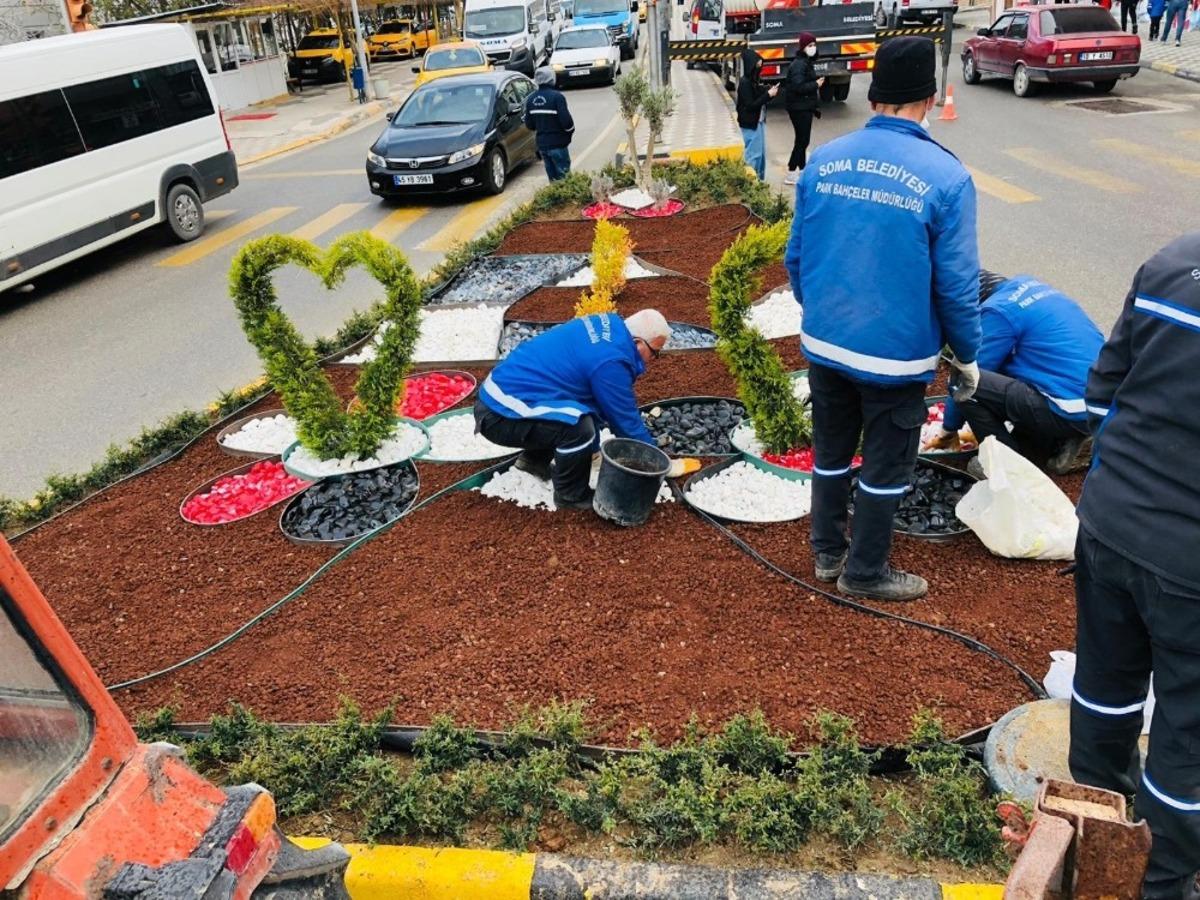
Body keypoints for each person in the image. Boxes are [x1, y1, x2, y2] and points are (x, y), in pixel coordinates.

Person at [783, 36, 981, 603]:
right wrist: (966, 357)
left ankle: (827, 552)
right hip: (895, 357)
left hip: (826, 342)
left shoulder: (824, 159)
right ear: (928, 97)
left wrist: (820, 310)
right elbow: (957, 287)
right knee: (887, 463)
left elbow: (796, 256)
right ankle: (865, 571)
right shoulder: (946, 178)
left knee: (831, 450)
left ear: (873, 96)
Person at [1069, 232, 1200, 900]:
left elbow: (1099, 396)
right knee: (1188, 733)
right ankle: (1158, 885)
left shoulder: (1173, 261)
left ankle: (1092, 844)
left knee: (1104, 688)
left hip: (1111, 524)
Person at [474, 310, 670, 510]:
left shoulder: (610, 325)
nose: (654, 359)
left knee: (573, 411)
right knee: (578, 427)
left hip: (501, 394)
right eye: (655, 352)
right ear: (637, 343)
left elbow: (594, 403)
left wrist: (591, 451)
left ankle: (533, 463)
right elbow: (625, 421)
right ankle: (571, 496)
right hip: (499, 413)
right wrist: (656, 461)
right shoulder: (611, 362)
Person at [923, 273, 1104, 475]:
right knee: (1010, 379)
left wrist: (948, 430)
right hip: (1100, 404)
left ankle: (1006, 466)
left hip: (1067, 406)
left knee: (966, 383)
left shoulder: (997, 312)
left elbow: (967, 377)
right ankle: (1065, 440)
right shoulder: (1027, 288)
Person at [783, 33, 824, 187]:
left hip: (804, 106)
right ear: (803, 47)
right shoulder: (799, 65)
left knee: (802, 139)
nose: (813, 48)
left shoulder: (806, 62)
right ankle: (792, 171)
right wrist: (816, 85)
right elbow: (798, 86)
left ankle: (802, 170)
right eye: (810, 46)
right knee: (802, 140)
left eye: (814, 45)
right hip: (798, 107)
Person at [524, 67, 575, 182]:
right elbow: (567, 122)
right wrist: (569, 134)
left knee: (552, 178)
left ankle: (556, 198)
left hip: (543, 145)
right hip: (558, 143)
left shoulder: (531, 99)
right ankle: (566, 199)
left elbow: (529, 125)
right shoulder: (557, 97)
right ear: (552, 78)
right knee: (565, 178)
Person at [736, 49, 778, 181]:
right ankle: (751, 184)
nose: (759, 70)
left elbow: (759, 95)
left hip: (758, 122)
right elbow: (751, 105)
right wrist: (767, 95)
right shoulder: (744, 83)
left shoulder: (753, 82)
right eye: (758, 66)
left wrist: (768, 92)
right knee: (753, 156)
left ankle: (759, 182)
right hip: (750, 124)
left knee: (760, 156)